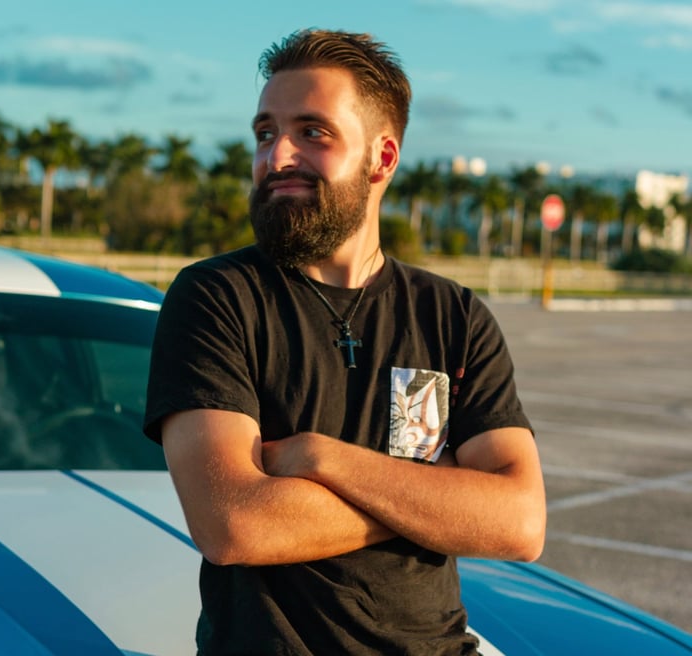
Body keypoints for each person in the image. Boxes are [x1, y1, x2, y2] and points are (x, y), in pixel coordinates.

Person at [144, 28, 546, 656]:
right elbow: (233, 524)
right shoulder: (217, 298)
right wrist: (437, 494)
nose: (276, 156)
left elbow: (520, 523)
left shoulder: (453, 314)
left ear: (381, 159)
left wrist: (319, 458)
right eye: (264, 133)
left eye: (312, 132)